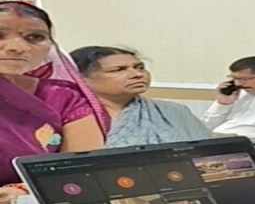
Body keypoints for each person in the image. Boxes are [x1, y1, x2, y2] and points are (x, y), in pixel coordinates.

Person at [0, 1, 106, 204]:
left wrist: (23, 191)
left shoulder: (65, 97)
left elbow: (82, 169)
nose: (16, 47)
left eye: (35, 37)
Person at [70, 46, 211, 148]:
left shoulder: (174, 111)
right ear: (81, 78)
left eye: (140, 67)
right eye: (118, 70)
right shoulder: (72, 117)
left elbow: (206, 153)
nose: (137, 74)